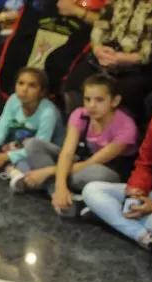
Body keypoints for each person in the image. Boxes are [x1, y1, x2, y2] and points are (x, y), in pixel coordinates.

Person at [82, 73, 152, 270]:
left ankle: (112, 217)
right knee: (92, 190)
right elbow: (145, 163)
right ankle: (149, 240)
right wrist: (136, 192)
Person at [16, 74, 138, 214]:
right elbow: (67, 152)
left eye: (99, 100)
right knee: (33, 144)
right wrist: (60, 186)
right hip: (78, 163)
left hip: (104, 172)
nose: (91, 105)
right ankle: (60, 196)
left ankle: (42, 181)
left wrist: (47, 171)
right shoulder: (80, 115)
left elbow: (92, 162)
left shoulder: (126, 127)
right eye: (87, 99)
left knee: (97, 173)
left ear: (115, 101)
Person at [0, 67, 61, 182]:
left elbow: (38, 148)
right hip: (16, 145)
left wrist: (7, 156)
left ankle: (11, 171)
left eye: (32, 86)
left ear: (42, 92)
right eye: (21, 83)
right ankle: (11, 171)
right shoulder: (13, 100)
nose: (24, 89)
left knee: (25, 164)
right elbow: (2, 127)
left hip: (41, 154)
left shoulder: (48, 112)